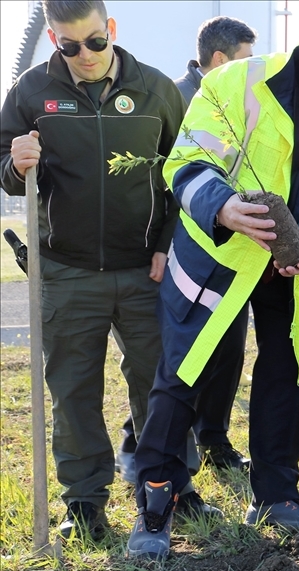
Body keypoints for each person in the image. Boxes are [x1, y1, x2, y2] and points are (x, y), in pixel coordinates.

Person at [126, 26, 299, 559]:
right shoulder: (239, 83)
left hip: (296, 268)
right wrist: (224, 207)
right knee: (186, 369)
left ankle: (277, 495)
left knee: (288, 372)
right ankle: (156, 500)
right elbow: (184, 161)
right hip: (219, 254)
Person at [0, 0, 210, 540]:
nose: (85, 56)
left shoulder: (157, 89)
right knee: (72, 391)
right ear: (53, 39)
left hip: (147, 270)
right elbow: (4, 168)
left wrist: (167, 242)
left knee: (158, 383)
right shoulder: (29, 92)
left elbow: (185, 172)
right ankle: (85, 504)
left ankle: (174, 488)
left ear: (110, 28)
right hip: (66, 273)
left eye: (95, 41)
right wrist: (14, 161)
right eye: (69, 46)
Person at [116, 15, 259, 480]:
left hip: (231, 246)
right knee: (176, 355)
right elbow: (162, 179)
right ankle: (139, 441)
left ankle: (214, 438)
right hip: (182, 249)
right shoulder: (174, 98)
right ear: (220, 60)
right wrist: (160, 244)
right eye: (245, 60)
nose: (253, 71)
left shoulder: (247, 104)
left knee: (227, 349)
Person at [174, 15, 256, 103]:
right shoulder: (175, 98)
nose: (250, 69)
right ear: (220, 59)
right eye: (245, 62)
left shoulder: (239, 97)